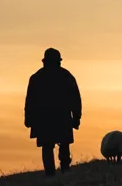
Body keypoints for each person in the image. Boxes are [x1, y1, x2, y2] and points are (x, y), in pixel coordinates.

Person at [24, 48, 82, 176]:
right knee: (63, 144)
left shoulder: (36, 78)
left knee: (48, 146)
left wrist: (28, 118)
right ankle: (64, 169)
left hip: (44, 119)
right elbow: (75, 98)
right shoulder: (66, 76)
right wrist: (76, 116)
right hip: (61, 117)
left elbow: (30, 101)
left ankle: (51, 173)